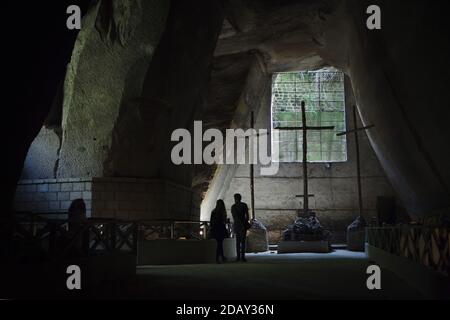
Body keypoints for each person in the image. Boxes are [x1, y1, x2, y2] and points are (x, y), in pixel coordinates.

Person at [231, 193, 250, 262]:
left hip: (237, 225)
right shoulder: (244, 205)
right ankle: (243, 257)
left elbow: (234, 217)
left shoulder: (233, 206)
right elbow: (247, 215)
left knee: (238, 241)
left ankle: (238, 257)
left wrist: (238, 222)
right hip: (243, 225)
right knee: (243, 241)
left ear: (235, 198)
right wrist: (245, 222)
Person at [209, 199, 229, 264]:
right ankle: (218, 258)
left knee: (219, 244)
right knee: (220, 244)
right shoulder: (222, 212)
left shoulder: (214, 211)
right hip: (221, 229)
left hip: (215, 229)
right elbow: (224, 221)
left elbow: (211, 221)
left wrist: (211, 228)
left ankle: (221, 257)